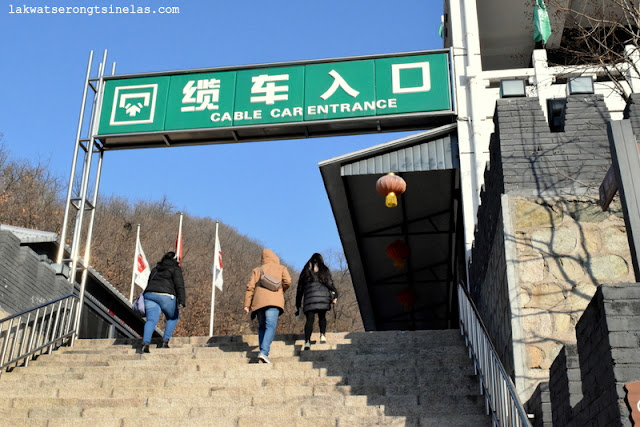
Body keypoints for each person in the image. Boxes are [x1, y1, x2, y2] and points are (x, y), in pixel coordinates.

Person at [244, 248, 291, 364]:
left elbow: (250, 287)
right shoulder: (281, 268)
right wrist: (280, 289)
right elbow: (288, 281)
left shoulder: (257, 270)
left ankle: (262, 351)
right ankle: (264, 352)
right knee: (270, 325)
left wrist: (247, 305)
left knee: (262, 326)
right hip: (274, 302)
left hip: (259, 302)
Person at [137, 251, 186, 354]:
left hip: (150, 295)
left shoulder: (156, 269)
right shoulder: (175, 269)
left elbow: (150, 282)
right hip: (166, 296)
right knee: (173, 317)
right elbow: (179, 285)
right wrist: (182, 301)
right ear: (175, 260)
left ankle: (145, 345)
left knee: (151, 320)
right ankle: (164, 342)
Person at [296, 253, 338, 351]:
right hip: (323, 298)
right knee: (322, 317)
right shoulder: (324, 270)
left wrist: (298, 304)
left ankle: (307, 342)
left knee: (309, 320)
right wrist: (335, 294)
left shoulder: (305, 271)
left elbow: (300, 288)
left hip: (309, 299)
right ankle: (322, 335)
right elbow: (329, 283)